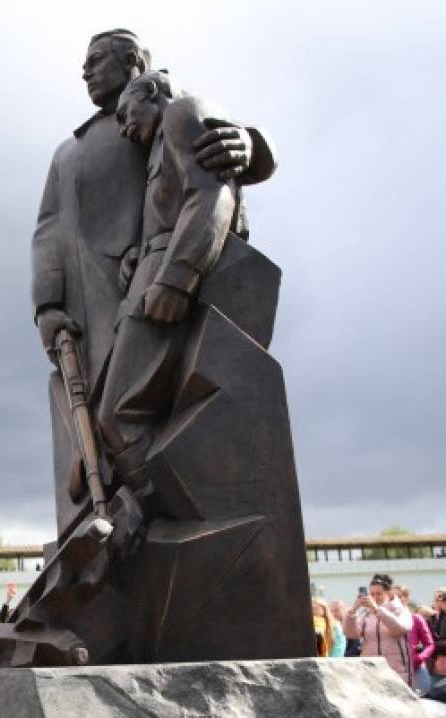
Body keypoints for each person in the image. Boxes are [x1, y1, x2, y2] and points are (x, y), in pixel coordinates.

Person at [32, 29, 273, 535]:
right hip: (90, 309)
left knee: (129, 417)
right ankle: (121, 529)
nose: (85, 71)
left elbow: (208, 160)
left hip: (163, 283)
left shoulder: (161, 107)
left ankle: (159, 525)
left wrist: (249, 145)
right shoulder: (66, 152)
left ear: (137, 65)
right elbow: (49, 228)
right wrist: (47, 304)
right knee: (98, 435)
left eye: (96, 60)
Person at [343, 574, 413, 688]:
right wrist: (354, 609)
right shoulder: (365, 613)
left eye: (379, 594)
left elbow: (400, 629)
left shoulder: (401, 611)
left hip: (396, 671)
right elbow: (351, 634)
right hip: (371, 671)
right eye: (372, 594)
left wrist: (377, 610)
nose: (375, 597)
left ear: (389, 594)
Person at [429, 589, 446, 686]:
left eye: (440, 599)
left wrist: (430, 646)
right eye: (436, 599)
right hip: (436, 667)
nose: (437, 602)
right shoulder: (437, 617)